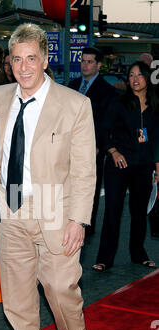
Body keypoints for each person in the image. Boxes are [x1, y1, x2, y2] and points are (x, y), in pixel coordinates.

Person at [0, 23, 96, 330]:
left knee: (61, 287)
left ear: (45, 59)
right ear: (9, 62)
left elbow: (84, 171)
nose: (24, 67)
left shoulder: (75, 104)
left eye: (31, 58)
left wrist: (78, 220)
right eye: (16, 59)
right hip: (9, 207)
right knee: (16, 291)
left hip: (55, 209)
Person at [93, 61, 159, 272]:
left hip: (144, 165)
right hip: (118, 165)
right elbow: (103, 130)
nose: (135, 79)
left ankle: (139, 254)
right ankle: (104, 258)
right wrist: (113, 151)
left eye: (139, 75)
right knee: (112, 210)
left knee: (140, 212)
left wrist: (157, 168)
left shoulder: (156, 105)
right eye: (131, 75)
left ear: (148, 78)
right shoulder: (118, 102)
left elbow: (157, 139)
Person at [69, 47, 116, 236]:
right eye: (83, 61)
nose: (85, 65)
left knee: (90, 188)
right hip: (69, 146)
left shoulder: (107, 91)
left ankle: (85, 227)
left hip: (92, 148)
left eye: (89, 62)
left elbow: (105, 122)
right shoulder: (72, 85)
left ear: (98, 65)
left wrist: (97, 146)